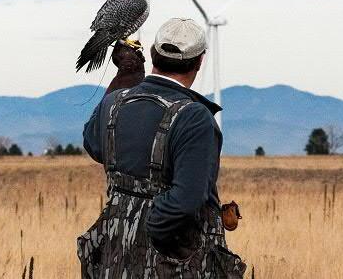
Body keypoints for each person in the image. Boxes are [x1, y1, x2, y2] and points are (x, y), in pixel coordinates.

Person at [77, 18, 246, 278]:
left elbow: (93, 144)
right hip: (174, 264)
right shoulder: (194, 116)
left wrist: (124, 77)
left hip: (112, 256)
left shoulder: (114, 102)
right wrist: (153, 237)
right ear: (200, 61)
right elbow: (187, 200)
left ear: (153, 54)